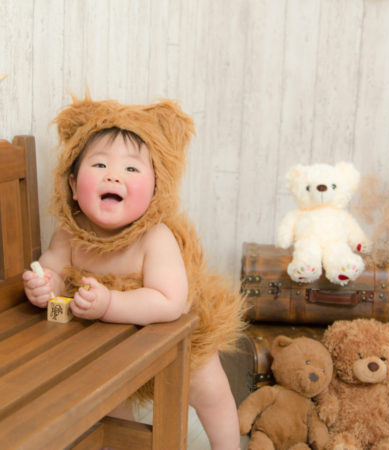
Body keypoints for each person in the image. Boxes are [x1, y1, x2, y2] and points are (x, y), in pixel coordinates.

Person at [23, 95, 244, 450]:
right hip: (106, 347)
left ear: (156, 189)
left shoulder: (154, 238)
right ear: (73, 186)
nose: (113, 174)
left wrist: (109, 304)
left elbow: (169, 301)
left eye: (131, 169)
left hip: (172, 341)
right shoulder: (70, 233)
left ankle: (227, 446)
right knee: (108, 399)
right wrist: (45, 285)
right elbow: (55, 269)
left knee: (210, 393)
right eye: (99, 164)